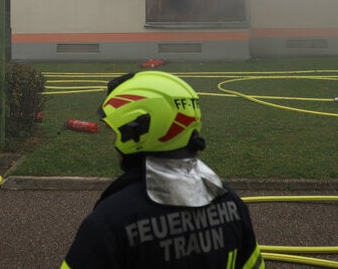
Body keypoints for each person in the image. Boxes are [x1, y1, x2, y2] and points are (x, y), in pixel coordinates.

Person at [61, 70, 264, 269]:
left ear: (137, 130)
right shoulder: (231, 204)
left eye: (115, 131)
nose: (113, 139)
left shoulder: (110, 222)